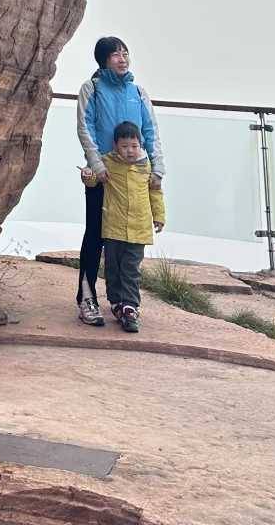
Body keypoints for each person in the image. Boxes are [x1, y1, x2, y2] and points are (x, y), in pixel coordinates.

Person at [74, 36, 165, 326]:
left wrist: (157, 169)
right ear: (103, 59)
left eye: (125, 53)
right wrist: (97, 165)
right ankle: (87, 299)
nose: (122, 59)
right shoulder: (92, 88)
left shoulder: (138, 92)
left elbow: (150, 131)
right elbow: (85, 127)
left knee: (128, 244)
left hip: (136, 177)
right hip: (104, 177)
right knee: (96, 236)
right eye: (115, 54)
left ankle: (124, 303)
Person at [81, 120, 165, 332]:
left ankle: (130, 306)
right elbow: (94, 180)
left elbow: (155, 192)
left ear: (141, 145)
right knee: (112, 268)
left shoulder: (147, 166)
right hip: (114, 228)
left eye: (134, 146)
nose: (130, 151)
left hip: (139, 229)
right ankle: (116, 302)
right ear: (115, 145)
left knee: (131, 269)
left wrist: (159, 216)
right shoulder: (107, 162)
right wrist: (87, 176)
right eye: (125, 146)